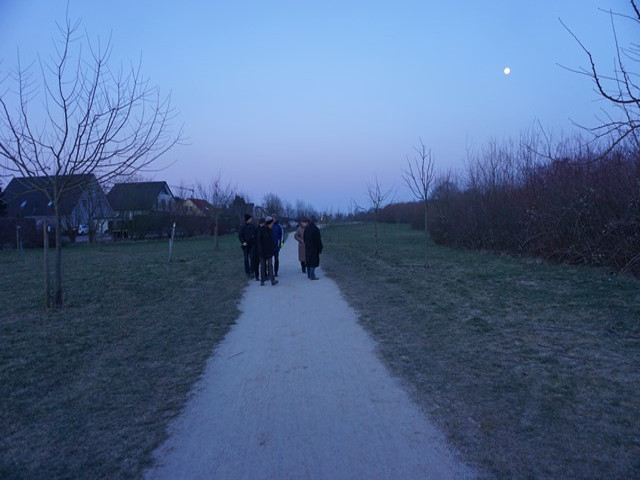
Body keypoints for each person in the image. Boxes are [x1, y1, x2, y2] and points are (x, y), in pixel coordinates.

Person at [257, 216, 278, 286]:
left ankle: (273, 280)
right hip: (262, 251)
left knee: (270, 265)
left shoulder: (269, 230)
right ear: (269, 223)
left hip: (269, 251)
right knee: (263, 266)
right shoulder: (262, 230)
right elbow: (259, 242)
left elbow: (271, 241)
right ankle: (262, 281)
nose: (272, 225)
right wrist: (261, 251)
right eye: (272, 223)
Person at [303, 216, 323, 280]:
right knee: (313, 261)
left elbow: (304, 238)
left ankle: (309, 274)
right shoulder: (316, 229)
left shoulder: (306, 228)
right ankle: (312, 275)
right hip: (314, 248)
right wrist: (320, 247)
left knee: (308, 260)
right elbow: (318, 240)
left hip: (307, 247)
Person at [238, 213, 256, 278]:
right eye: (250, 218)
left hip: (252, 245)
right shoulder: (242, 227)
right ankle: (247, 272)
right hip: (245, 245)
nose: (251, 219)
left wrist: (254, 238)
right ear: (247, 219)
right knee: (246, 259)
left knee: (252, 257)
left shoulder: (253, 226)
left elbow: (256, 233)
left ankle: (252, 271)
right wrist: (243, 242)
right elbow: (240, 235)